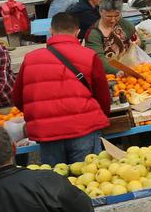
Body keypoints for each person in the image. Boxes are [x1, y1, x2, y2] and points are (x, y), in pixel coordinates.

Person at [13, 11, 111, 165]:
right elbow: (103, 96)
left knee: (55, 177)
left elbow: (18, 98)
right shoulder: (89, 56)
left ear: (51, 31)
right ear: (78, 32)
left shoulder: (31, 58)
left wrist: (41, 115)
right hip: (83, 127)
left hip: (48, 132)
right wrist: (100, 116)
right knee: (88, 174)